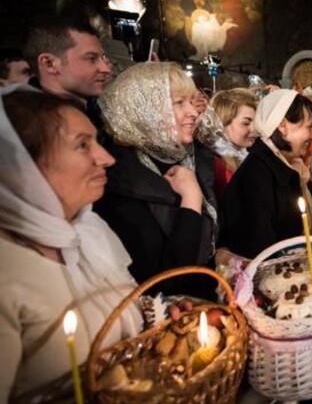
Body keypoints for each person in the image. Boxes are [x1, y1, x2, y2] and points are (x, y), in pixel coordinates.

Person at [0, 88, 141, 401]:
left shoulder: (90, 230)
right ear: (19, 165)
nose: (107, 159)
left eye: (96, 142)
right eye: (82, 145)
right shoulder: (7, 271)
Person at [95, 62, 217, 298]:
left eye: (192, 102)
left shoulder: (185, 158)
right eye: (179, 103)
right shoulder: (121, 182)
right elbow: (167, 282)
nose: (193, 112)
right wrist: (191, 199)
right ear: (142, 110)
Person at [220, 90, 312, 258]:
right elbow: (262, 250)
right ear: (284, 127)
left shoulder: (275, 165)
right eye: (309, 127)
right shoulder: (257, 175)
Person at [22, 16, 112, 142]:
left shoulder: (97, 111)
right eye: (91, 58)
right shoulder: (31, 130)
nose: (105, 68)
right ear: (49, 63)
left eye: (103, 57)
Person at [202, 88, 257, 198]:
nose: (254, 129)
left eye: (255, 123)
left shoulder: (243, 154)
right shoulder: (215, 163)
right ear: (223, 122)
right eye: (246, 123)